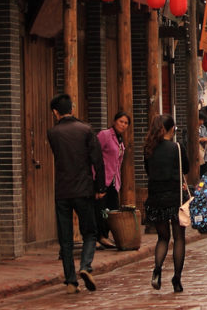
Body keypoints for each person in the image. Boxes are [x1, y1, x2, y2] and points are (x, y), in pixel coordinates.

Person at [47, 93, 105, 294]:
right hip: (84, 189)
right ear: (72, 109)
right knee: (90, 232)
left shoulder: (52, 133)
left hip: (62, 191)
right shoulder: (86, 130)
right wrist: (100, 188)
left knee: (65, 238)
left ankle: (71, 281)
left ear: (56, 112)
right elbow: (97, 161)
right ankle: (85, 266)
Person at [143, 114, 189, 293]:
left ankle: (157, 270)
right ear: (172, 129)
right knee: (179, 238)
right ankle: (177, 279)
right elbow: (185, 169)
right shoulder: (177, 147)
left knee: (162, 238)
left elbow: (148, 171)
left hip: (155, 198)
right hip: (175, 198)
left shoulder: (148, 149)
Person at [95, 111, 129, 250]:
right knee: (100, 209)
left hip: (114, 180)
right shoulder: (105, 135)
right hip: (102, 178)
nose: (123, 125)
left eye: (126, 123)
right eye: (121, 121)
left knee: (112, 209)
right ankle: (99, 237)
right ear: (114, 121)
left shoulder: (120, 139)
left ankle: (105, 235)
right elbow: (95, 155)